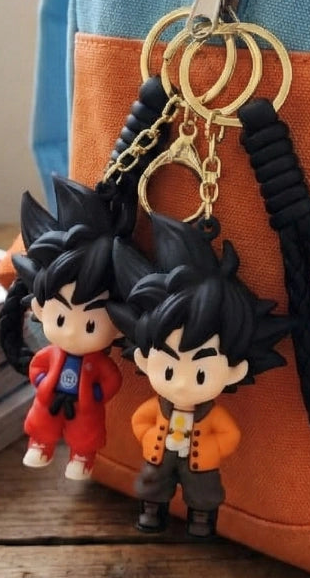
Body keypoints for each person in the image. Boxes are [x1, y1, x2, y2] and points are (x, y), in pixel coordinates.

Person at [108, 214, 291, 537]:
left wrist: (212, 449)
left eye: (201, 374)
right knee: (153, 483)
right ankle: (151, 511)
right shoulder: (160, 407)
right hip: (160, 456)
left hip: (200, 464)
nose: (180, 384)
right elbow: (140, 420)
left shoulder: (210, 414)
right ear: (144, 358)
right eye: (168, 369)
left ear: (235, 371)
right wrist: (150, 438)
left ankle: (201, 519)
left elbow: (229, 434)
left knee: (203, 491)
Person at [8, 176, 130, 481]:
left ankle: (82, 457)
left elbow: (112, 380)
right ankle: (40, 444)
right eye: (60, 319)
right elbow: (37, 366)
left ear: (118, 326)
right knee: (42, 424)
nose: (73, 333)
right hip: (50, 398)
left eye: (90, 324)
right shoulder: (52, 354)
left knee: (85, 434)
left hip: (84, 405)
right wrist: (42, 380)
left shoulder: (98, 362)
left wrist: (94, 393)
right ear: (39, 308)